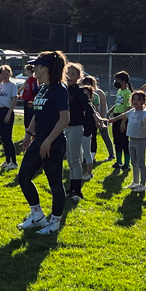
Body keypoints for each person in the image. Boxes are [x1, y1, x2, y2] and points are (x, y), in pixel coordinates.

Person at [15, 51, 72, 235]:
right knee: (23, 177)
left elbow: (65, 118)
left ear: (45, 68)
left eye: (36, 67)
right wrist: (28, 133)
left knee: (55, 184)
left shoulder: (59, 89)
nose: (33, 70)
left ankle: (54, 223)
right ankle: (38, 216)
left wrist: (48, 141)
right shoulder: (42, 88)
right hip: (39, 140)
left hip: (53, 144)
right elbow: (37, 115)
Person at [106, 91, 146, 192]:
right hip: (131, 140)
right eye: (134, 99)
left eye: (138, 100)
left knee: (141, 162)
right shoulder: (131, 112)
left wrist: (145, 126)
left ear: (143, 101)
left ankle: (142, 184)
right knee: (134, 162)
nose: (135, 102)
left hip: (140, 141)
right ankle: (135, 182)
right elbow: (122, 116)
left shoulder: (144, 112)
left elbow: (145, 120)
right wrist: (112, 120)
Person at [65, 62, 90, 201]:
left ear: (79, 77)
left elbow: (87, 108)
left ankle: (77, 191)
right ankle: (71, 188)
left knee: (75, 159)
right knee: (69, 158)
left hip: (75, 127)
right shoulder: (62, 89)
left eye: (73, 74)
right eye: (67, 74)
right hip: (65, 128)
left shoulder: (79, 92)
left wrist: (93, 122)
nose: (69, 76)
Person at [0, 65, 19, 171]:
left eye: (6, 74)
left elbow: (14, 99)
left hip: (7, 110)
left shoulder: (12, 85)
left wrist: (9, 114)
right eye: (2, 74)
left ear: (10, 74)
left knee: (8, 137)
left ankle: (14, 161)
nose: (5, 76)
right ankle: (7, 159)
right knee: (2, 137)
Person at [111, 71, 133, 169]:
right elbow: (117, 103)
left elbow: (128, 108)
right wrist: (109, 112)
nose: (115, 82)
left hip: (123, 118)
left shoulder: (128, 93)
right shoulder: (119, 91)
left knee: (124, 141)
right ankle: (118, 161)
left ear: (123, 81)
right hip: (116, 117)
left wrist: (123, 122)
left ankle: (127, 163)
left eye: (117, 80)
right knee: (117, 140)